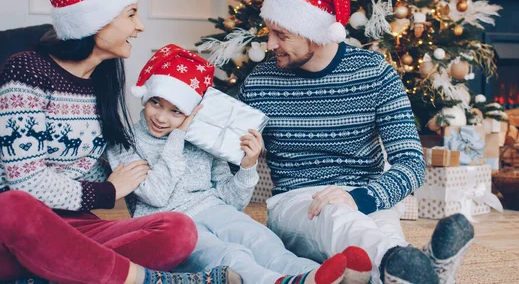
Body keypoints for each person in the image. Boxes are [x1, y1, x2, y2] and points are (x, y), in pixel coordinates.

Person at [0, 0, 236, 284]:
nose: (140, 27)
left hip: (77, 225)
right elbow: (25, 182)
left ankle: (56, 271)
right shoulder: (26, 70)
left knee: (178, 229)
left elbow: (90, 165)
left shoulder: (104, 79)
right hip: (20, 224)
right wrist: (108, 192)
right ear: (96, 21)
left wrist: (154, 164)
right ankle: (149, 280)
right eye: (131, 14)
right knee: (12, 206)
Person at [238, 0, 475, 284]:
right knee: (340, 220)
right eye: (270, 32)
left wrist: (362, 197)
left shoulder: (375, 73)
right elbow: (225, 159)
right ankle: (423, 265)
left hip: (366, 197)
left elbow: (412, 163)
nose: (270, 44)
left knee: (382, 241)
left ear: (317, 32)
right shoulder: (260, 83)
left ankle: (418, 269)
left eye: (282, 35)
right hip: (297, 202)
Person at [106, 43, 374, 284]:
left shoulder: (202, 141)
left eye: (176, 110)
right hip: (171, 224)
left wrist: (248, 165)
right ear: (145, 96)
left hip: (212, 208)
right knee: (227, 254)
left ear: (190, 111)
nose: (162, 118)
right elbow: (156, 194)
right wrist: (178, 136)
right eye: (156, 103)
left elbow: (231, 202)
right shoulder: (125, 142)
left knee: (261, 239)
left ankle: (321, 275)